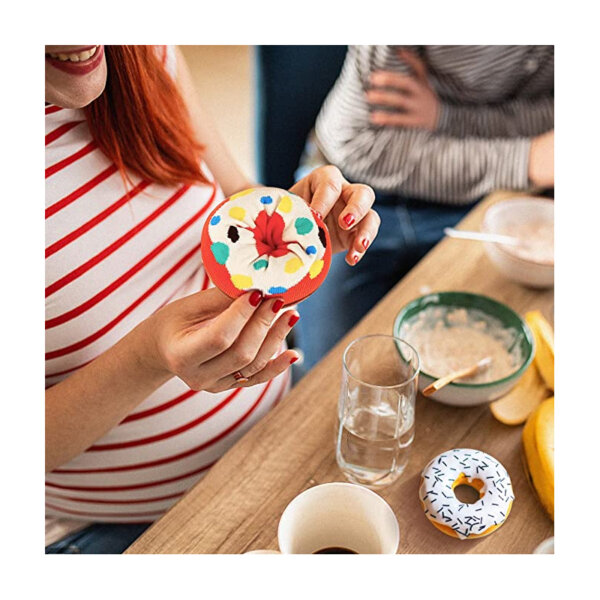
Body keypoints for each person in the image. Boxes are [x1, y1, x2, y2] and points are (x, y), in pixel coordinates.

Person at [45, 45, 379, 553]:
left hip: (278, 439)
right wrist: (147, 359)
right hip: (136, 530)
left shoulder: (141, 50)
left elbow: (238, 195)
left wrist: (294, 221)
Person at [295, 45, 554, 370]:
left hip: (477, 201)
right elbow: (358, 142)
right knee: (328, 377)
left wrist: (448, 118)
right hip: (349, 189)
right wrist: (526, 160)